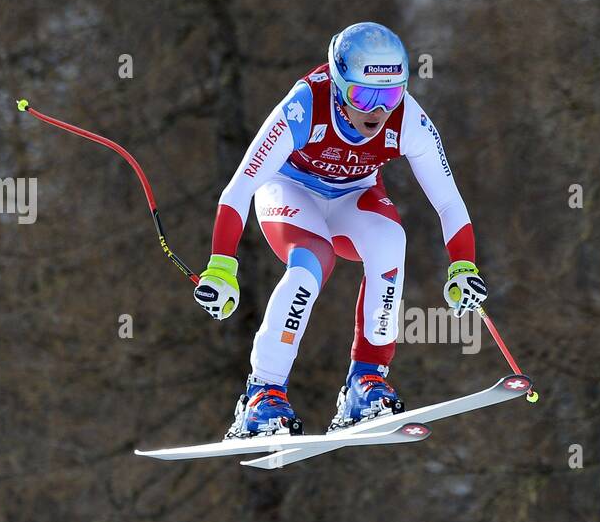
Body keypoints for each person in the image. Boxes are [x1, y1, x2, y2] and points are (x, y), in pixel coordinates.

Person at [194, 22, 488, 438]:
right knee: (313, 262)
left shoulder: (407, 119)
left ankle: (365, 384)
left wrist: (464, 267)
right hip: (291, 191)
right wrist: (221, 266)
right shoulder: (304, 106)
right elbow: (240, 186)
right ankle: (262, 393)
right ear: (337, 84)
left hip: (354, 194)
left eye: (389, 94)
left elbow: (447, 200)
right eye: (363, 95)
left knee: (390, 241)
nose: (377, 110)